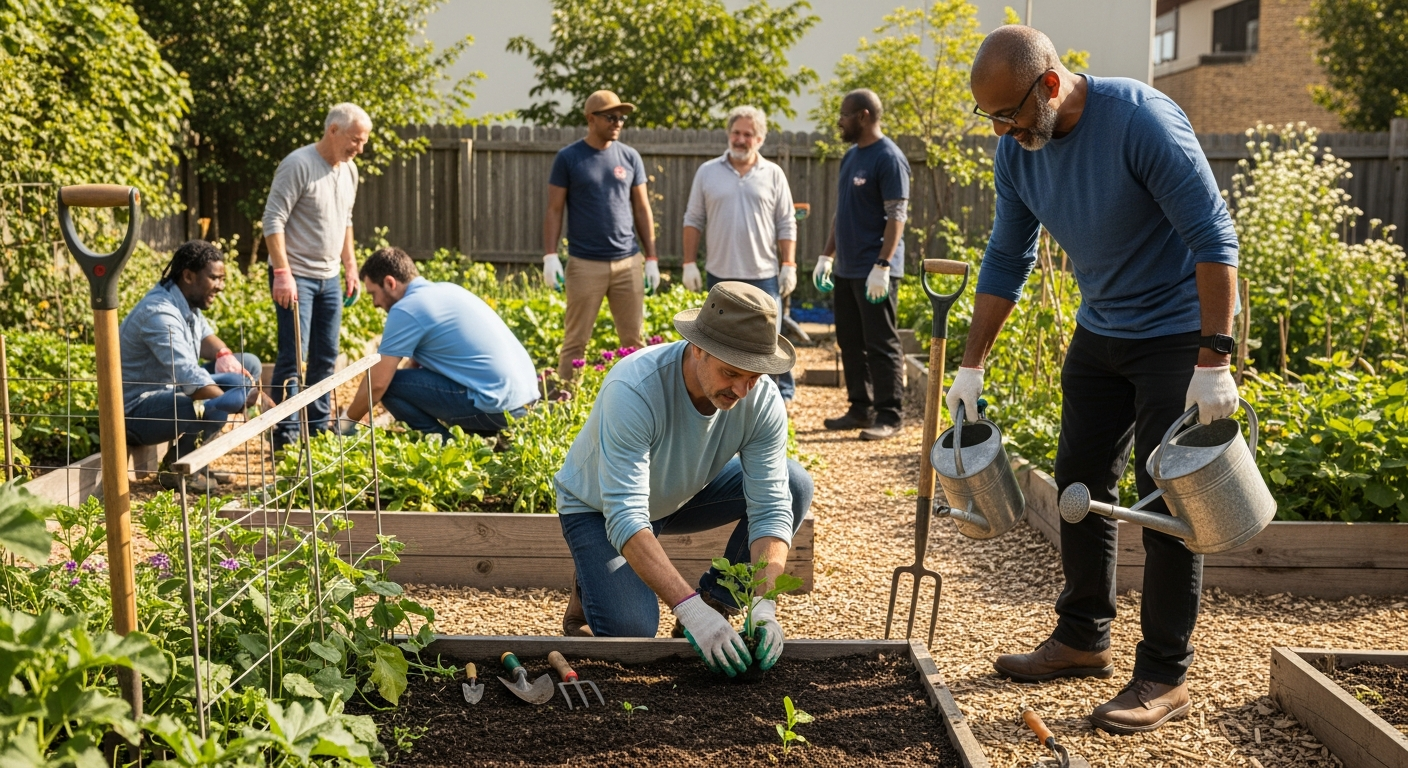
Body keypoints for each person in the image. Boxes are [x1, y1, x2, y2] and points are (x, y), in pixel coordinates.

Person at [953, 26, 1240, 735]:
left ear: (1050, 84)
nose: (1002, 129)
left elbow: (1213, 234)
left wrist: (1215, 359)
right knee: (1079, 479)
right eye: (989, 117)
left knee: (1168, 497)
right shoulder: (1016, 154)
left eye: (1009, 112)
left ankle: (1165, 673)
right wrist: (971, 362)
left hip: (1176, 334)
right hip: (1102, 330)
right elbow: (1005, 256)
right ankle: (1084, 637)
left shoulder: (1139, 120)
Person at [554, 282, 813, 677]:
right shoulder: (635, 388)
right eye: (731, 373)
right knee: (631, 635)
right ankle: (589, 586)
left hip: (684, 493)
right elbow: (626, 517)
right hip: (599, 508)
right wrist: (686, 609)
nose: (743, 391)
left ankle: (718, 600)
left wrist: (765, 603)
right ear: (698, 348)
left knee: (793, 484)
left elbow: (771, 506)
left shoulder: (759, 400)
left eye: (755, 377)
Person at [338, 247, 539, 438]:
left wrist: (345, 424)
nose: (374, 304)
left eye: (373, 293)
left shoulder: (407, 309)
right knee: (402, 381)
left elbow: (377, 384)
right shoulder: (446, 290)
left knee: (390, 386)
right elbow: (417, 367)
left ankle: (444, 447)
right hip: (525, 402)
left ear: (390, 283)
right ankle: (491, 439)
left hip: (497, 409)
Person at [262, 102, 370, 451]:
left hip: (330, 277)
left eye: (364, 142)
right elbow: (272, 221)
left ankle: (318, 429)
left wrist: (350, 265)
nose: (360, 148)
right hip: (296, 277)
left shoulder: (348, 171)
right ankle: (284, 435)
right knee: (294, 355)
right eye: (355, 139)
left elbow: (346, 220)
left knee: (326, 355)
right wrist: (282, 272)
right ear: (333, 130)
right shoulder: (298, 165)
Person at [121, 240, 260, 491]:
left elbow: (207, 339)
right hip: (136, 411)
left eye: (222, 279)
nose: (221, 286)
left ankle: (196, 460)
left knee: (248, 364)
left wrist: (225, 355)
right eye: (214, 278)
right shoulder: (159, 314)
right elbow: (192, 381)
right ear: (188, 275)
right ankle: (179, 468)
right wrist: (231, 401)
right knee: (212, 402)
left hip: (168, 394)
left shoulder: (185, 302)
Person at [681, 105, 798, 403]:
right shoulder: (708, 172)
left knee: (768, 346)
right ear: (728, 134)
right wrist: (688, 263)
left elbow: (786, 222)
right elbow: (693, 219)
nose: (741, 139)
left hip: (764, 276)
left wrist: (789, 264)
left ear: (759, 139)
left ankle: (778, 399)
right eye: (736, 132)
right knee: (719, 346)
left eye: (748, 134)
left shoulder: (773, 173)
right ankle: (718, 395)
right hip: (721, 277)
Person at [813, 89, 911, 441]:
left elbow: (896, 215)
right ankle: (860, 407)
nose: (839, 121)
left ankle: (889, 414)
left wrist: (883, 265)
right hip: (847, 268)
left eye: (844, 114)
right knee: (849, 341)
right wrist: (827, 255)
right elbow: (843, 211)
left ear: (864, 116)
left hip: (874, 270)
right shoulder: (850, 157)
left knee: (881, 342)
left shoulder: (889, 158)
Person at [541, 90, 656, 379]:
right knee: (575, 341)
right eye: (611, 117)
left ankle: (639, 400)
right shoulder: (569, 158)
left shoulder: (629, 157)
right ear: (591, 119)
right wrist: (550, 256)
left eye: (621, 118)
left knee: (634, 342)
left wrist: (652, 257)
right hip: (585, 264)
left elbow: (642, 209)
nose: (618, 122)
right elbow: (554, 210)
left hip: (627, 263)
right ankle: (567, 401)